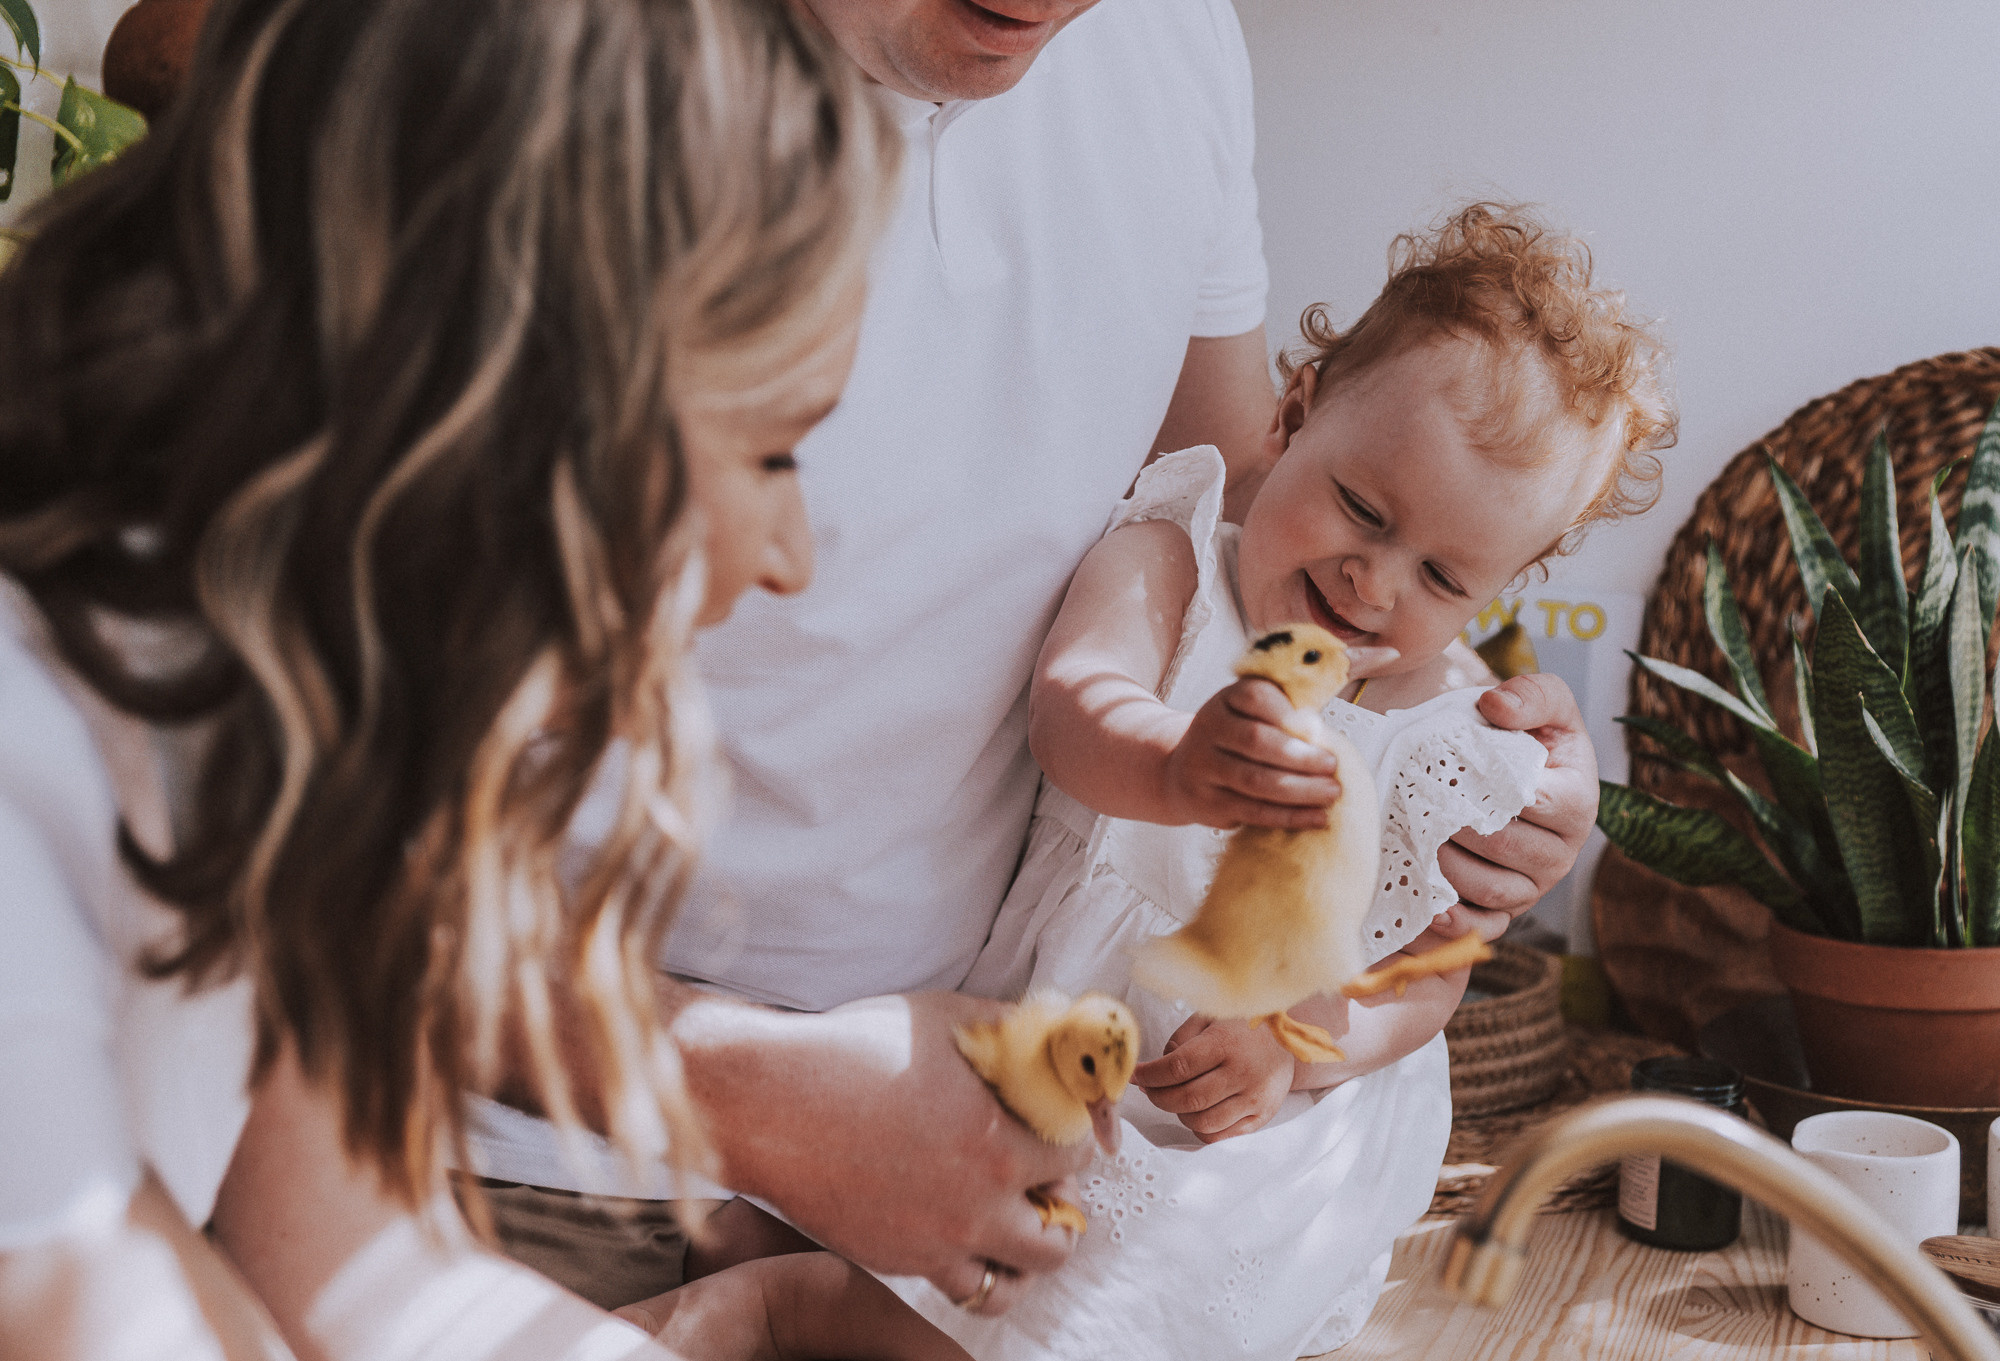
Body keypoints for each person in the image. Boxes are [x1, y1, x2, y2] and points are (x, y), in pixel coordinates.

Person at [464, 0, 1610, 1318]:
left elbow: (1250, 507)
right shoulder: (509, 86)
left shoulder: (1172, 43)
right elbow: (266, 869)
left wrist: (1481, 782)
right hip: (543, 1158)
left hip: (968, 1160)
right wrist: (744, 1092)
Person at [0, 0, 926, 1355]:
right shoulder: (28, 764)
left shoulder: (300, 721)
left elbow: (348, 1256)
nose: (788, 554)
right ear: (517, 412)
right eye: (775, 450)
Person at [907, 203, 1678, 1359]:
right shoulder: (1172, 560)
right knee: (935, 1244)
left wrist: (1302, 1037)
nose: (1372, 582)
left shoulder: (1437, 720)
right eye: (1362, 509)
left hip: (1263, 1117)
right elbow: (1071, 708)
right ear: (1293, 409)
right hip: (1057, 1025)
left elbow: (1427, 971)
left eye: (1442, 575)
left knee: (1132, 1302)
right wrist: (1171, 762)